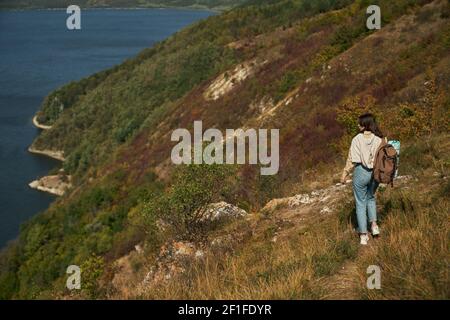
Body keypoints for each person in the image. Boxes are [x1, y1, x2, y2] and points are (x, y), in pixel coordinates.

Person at [341, 113, 385, 245]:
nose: (357, 125)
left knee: (360, 203)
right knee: (371, 197)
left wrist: (345, 173)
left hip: (361, 172)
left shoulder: (357, 139)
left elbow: (351, 159)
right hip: (375, 173)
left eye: (359, 123)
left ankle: (363, 235)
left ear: (364, 125)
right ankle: (374, 226)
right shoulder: (379, 139)